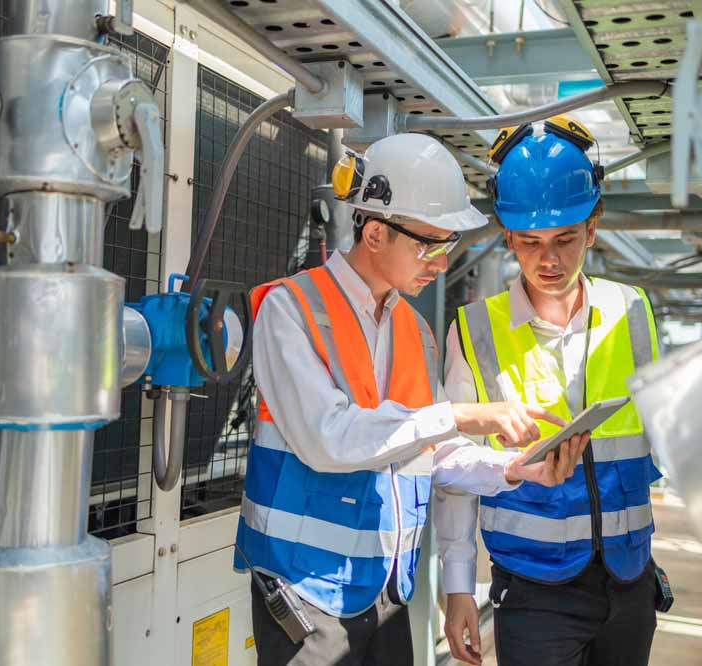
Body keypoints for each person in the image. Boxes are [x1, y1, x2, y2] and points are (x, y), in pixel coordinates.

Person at [233, 132, 590, 666]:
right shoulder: (291, 310)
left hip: (386, 593)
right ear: (375, 232)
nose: (442, 263)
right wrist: (462, 414)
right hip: (306, 593)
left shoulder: (415, 332)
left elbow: (432, 456)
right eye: (430, 244)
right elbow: (327, 438)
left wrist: (515, 470)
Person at [440, 116, 663, 666]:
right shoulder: (474, 332)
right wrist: (457, 585)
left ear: (592, 226)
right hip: (534, 592)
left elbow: (665, 440)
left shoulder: (633, 311)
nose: (550, 260)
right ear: (509, 237)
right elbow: (453, 468)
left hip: (630, 579)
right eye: (532, 243)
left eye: (566, 239)